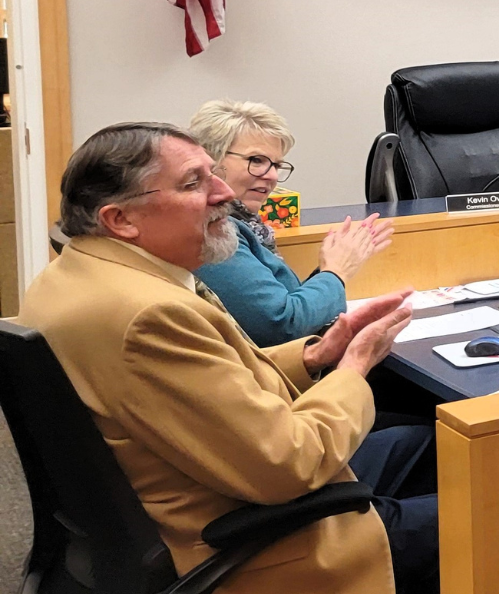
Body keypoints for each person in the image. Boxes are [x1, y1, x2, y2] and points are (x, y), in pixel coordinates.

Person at [20, 123, 439, 594]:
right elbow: (291, 464)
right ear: (120, 219)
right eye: (194, 183)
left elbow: (210, 382)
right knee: (491, 496)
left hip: (210, 475)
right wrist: (355, 366)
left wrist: (315, 353)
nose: (223, 193)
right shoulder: (150, 316)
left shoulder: (72, 273)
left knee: (426, 441)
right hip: (254, 534)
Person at [189, 100, 394, 347]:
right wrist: (335, 272)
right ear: (211, 161)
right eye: (257, 160)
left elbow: (288, 307)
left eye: (276, 165)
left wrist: (331, 270)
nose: (272, 175)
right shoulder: (214, 229)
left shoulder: (244, 223)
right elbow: (283, 327)